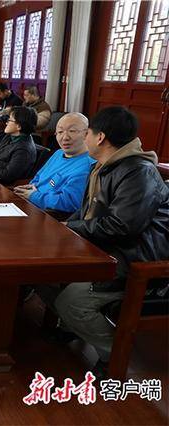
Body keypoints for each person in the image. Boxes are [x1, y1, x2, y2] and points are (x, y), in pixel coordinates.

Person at [38, 106, 169, 377]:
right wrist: (63, 228)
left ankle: (114, 353)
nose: (81, 138)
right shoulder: (103, 166)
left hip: (133, 259)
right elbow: (85, 211)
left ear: (100, 137)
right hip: (103, 248)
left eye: (85, 133)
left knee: (71, 302)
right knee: (39, 273)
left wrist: (71, 228)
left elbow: (122, 226)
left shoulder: (138, 172)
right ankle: (71, 327)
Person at [14, 112, 96, 213]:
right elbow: (38, 178)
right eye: (60, 132)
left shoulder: (89, 165)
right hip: (31, 204)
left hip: (49, 215)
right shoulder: (58, 153)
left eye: (72, 131)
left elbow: (69, 203)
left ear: (87, 134)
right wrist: (31, 187)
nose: (65, 137)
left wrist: (34, 196)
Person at [0, 106, 37, 184]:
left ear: (19, 126)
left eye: (9, 120)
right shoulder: (9, 136)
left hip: (2, 186)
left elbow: (5, 176)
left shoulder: (23, 150)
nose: (6, 123)